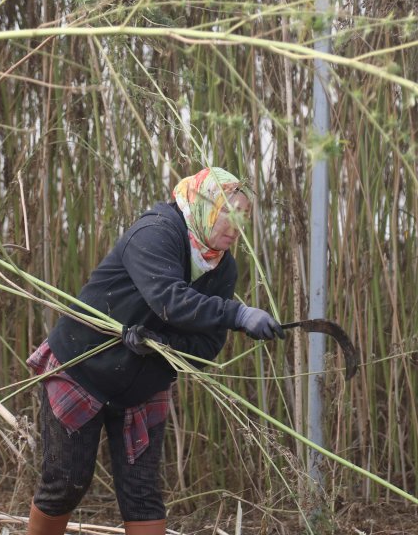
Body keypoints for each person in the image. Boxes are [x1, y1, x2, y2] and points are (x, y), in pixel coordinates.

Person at [24, 167, 284, 535]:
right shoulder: (158, 231)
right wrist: (237, 313)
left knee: (142, 494)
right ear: (204, 204)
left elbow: (207, 347)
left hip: (143, 386)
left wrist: (160, 345)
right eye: (229, 212)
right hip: (83, 368)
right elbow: (169, 301)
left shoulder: (223, 269)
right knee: (65, 484)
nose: (235, 226)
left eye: (243, 217)